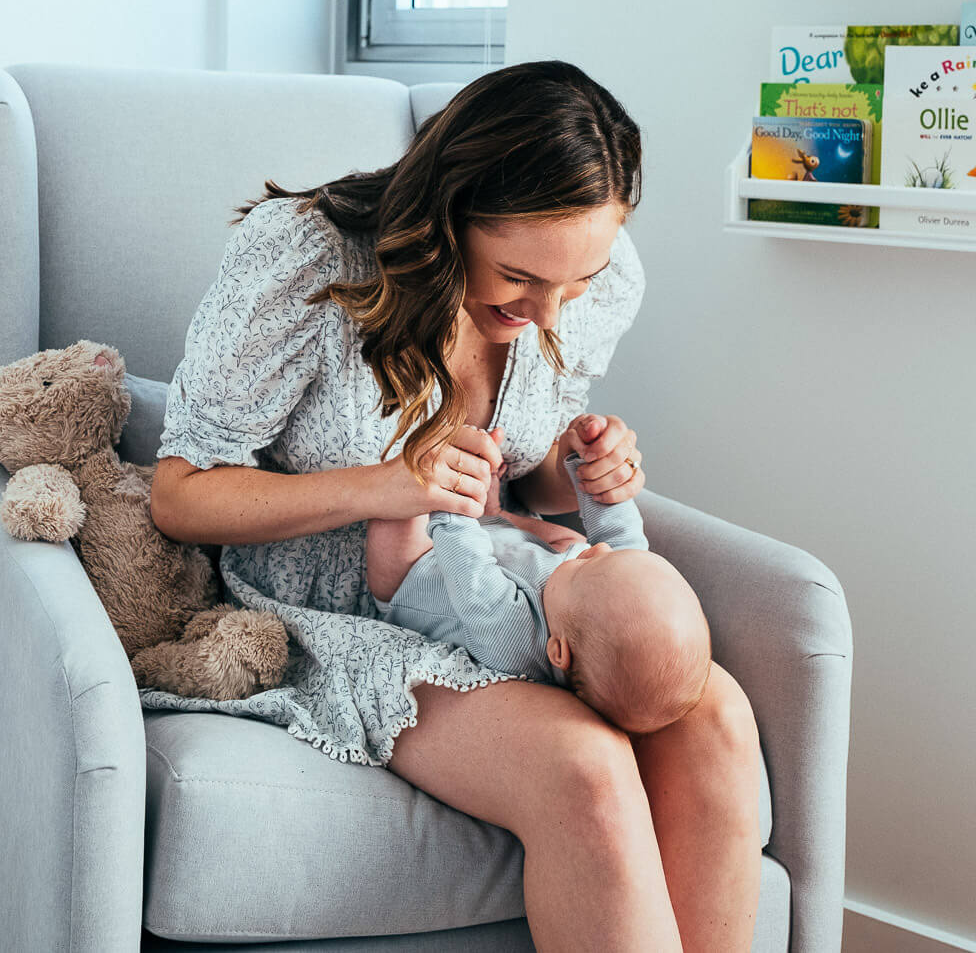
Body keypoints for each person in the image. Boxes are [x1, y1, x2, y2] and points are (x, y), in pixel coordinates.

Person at [150, 59, 762, 953]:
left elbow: (526, 469)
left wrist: (586, 468)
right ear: (451, 212)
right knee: (583, 769)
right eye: (520, 276)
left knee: (714, 717)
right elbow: (180, 494)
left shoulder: (587, 273)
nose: (550, 311)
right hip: (343, 608)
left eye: (576, 285)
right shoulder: (306, 260)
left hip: (516, 587)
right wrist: (389, 487)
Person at [366, 428, 714, 734]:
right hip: (500, 545)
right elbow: (621, 537)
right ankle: (495, 514)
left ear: (558, 651)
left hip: (414, 573)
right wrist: (590, 463)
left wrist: (455, 493)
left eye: (587, 568)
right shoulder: (599, 590)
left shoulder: (513, 637)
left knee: (400, 518)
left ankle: (478, 510)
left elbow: (467, 565)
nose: (601, 549)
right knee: (571, 545)